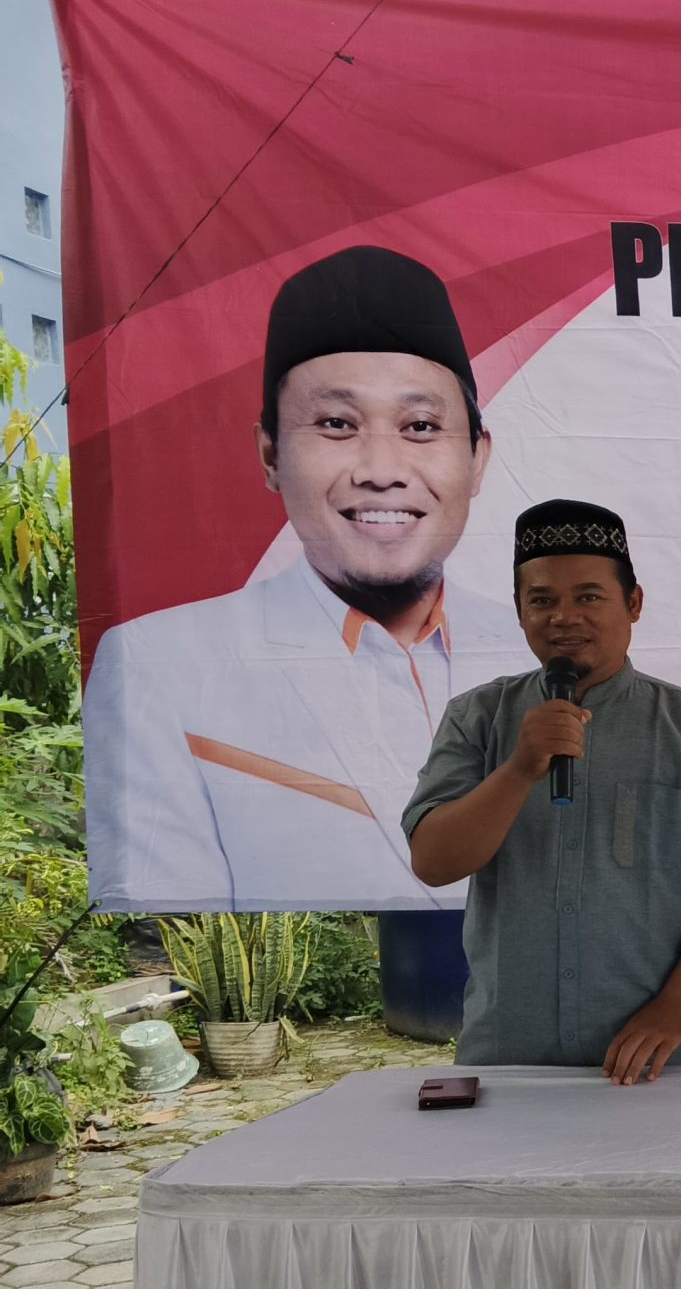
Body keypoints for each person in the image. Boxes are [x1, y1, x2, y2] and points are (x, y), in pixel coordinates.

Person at [84, 246, 522, 911]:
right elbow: (172, 924)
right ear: (271, 455)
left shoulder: (541, 657)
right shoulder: (159, 664)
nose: (382, 470)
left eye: (421, 426)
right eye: (336, 424)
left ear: (477, 458)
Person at [403, 500, 681, 1082]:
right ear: (520, 611)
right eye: (542, 601)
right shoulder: (477, 717)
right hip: (512, 1050)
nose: (564, 617)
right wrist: (519, 769)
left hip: (662, 1058)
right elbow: (434, 862)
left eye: (589, 597)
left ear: (634, 604)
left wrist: (676, 1005)